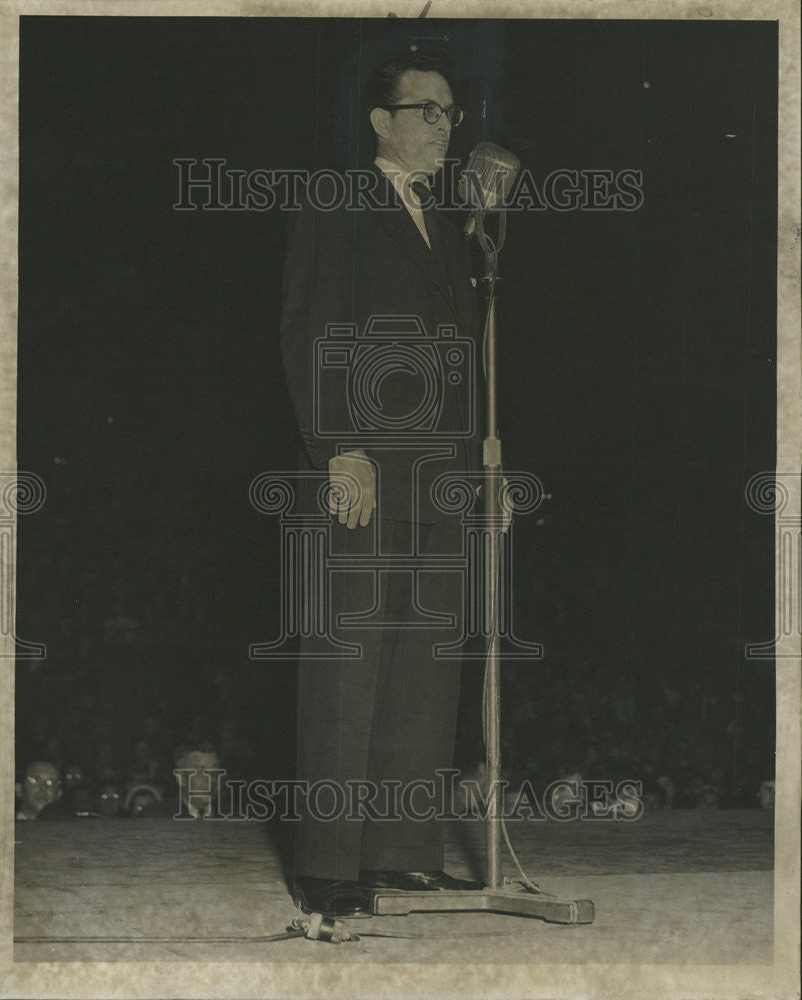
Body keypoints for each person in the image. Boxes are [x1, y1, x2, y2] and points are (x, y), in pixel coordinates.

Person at [280, 48, 485, 917]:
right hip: (366, 462)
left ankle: (400, 847)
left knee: (422, 662)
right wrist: (337, 447)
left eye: (450, 112)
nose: (444, 126)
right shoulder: (337, 205)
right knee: (351, 662)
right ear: (381, 121)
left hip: (439, 472)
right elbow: (308, 326)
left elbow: (468, 359)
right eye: (426, 110)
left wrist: (482, 465)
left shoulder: (451, 225)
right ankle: (328, 861)